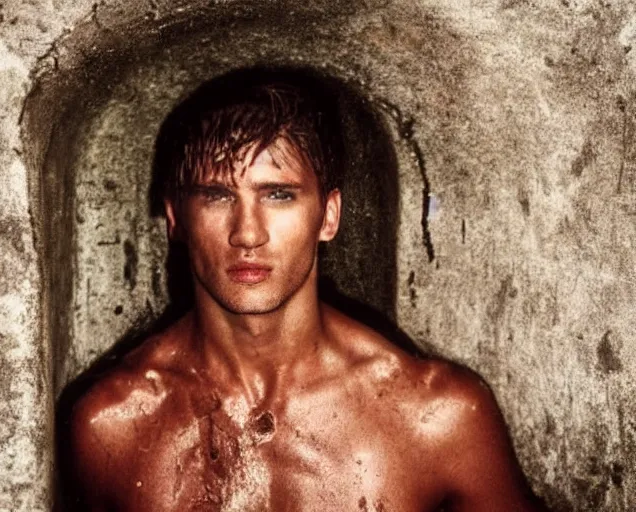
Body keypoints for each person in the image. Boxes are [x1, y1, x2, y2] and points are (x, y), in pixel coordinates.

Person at [64, 70, 545, 511]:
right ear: (176, 219)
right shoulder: (113, 424)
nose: (247, 234)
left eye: (278, 194)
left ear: (329, 216)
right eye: (217, 195)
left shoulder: (436, 416)